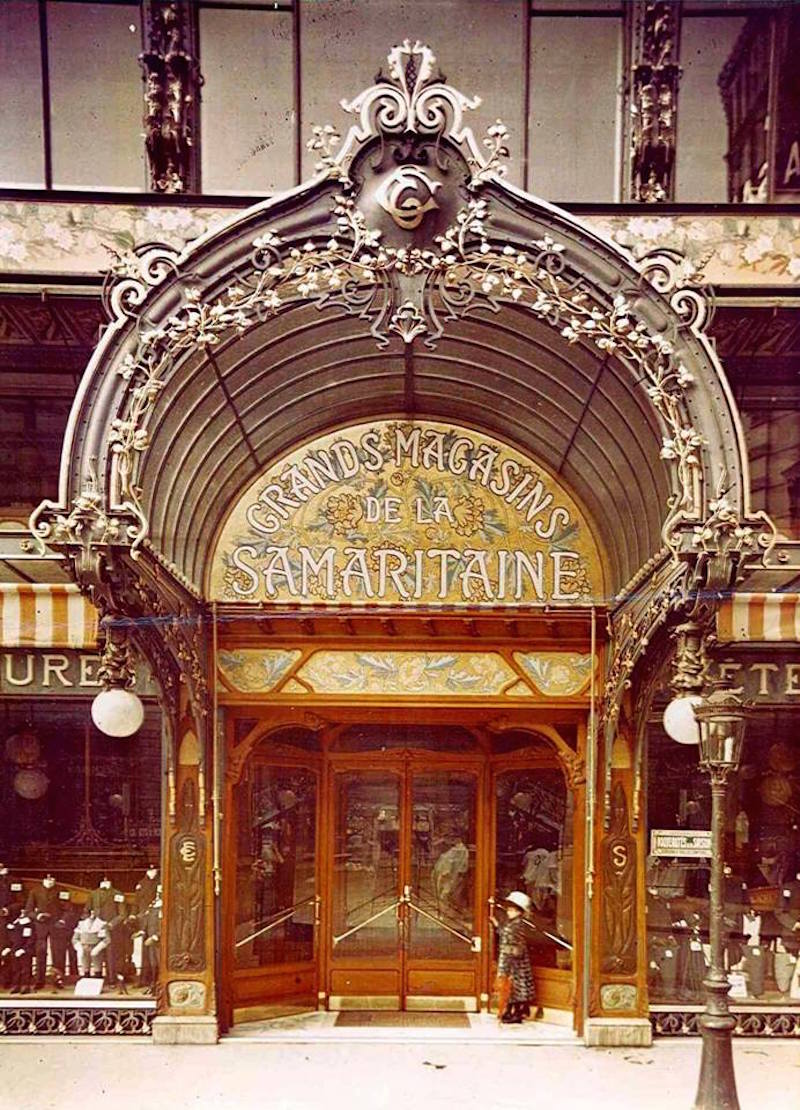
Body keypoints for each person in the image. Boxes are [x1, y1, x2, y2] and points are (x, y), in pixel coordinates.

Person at [491, 890, 539, 1024]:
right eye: (509, 909)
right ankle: (514, 1011)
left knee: (514, 990)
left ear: (519, 911)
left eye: (512, 910)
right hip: (514, 963)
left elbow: (515, 946)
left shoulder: (517, 925)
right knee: (514, 990)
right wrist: (497, 925)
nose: (509, 912)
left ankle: (516, 1013)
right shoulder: (513, 924)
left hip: (514, 964)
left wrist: (507, 963)